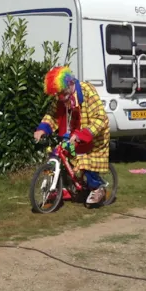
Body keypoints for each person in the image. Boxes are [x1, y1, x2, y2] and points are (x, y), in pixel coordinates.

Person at [33, 66, 111, 205]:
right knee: (56, 154)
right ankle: (59, 187)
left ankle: (98, 188)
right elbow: (52, 115)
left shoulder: (87, 91)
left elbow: (101, 118)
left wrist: (83, 134)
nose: (59, 97)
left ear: (69, 83)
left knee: (86, 162)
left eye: (61, 93)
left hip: (93, 134)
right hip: (72, 134)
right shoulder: (61, 97)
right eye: (56, 94)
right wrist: (42, 128)